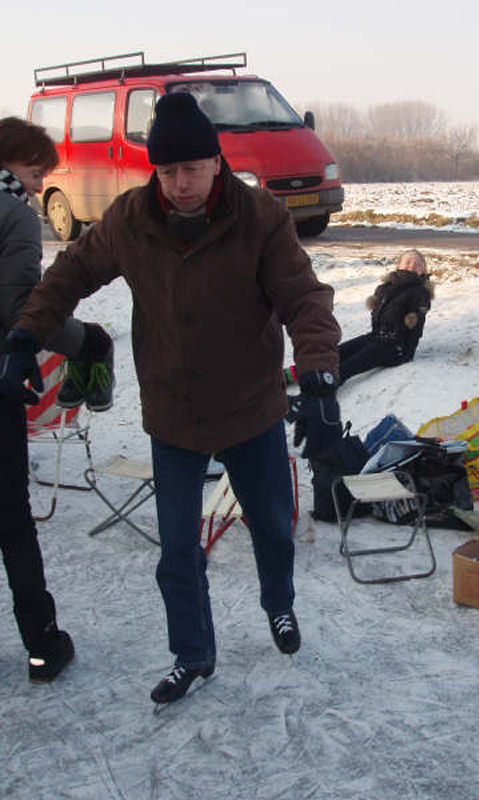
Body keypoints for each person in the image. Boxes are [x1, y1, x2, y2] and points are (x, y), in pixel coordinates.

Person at [4, 93, 342, 704]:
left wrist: (318, 375)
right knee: (177, 551)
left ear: (215, 161)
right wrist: (27, 332)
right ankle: (192, 654)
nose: (179, 185)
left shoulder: (259, 216)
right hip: (175, 413)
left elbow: (305, 299)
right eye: (166, 172)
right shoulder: (133, 218)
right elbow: (70, 273)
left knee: (270, 527)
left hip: (250, 404)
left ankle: (279, 605)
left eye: (190, 169)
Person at [0, 117, 114, 683]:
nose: (38, 184)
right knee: (12, 521)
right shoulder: (14, 213)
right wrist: (86, 340)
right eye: (34, 171)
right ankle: (43, 645)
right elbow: (24, 308)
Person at [285, 249, 433, 390]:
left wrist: (407, 352)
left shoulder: (420, 294)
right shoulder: (386, 288)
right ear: (398, 265)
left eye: (417, 264)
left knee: (349, 365)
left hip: (396, 347)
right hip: (376, 337)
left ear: (423, 271)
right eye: (408, 261)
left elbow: (416, 327)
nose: (412, 265)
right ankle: (292, 374)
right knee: (335, 353)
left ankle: (318, 393)